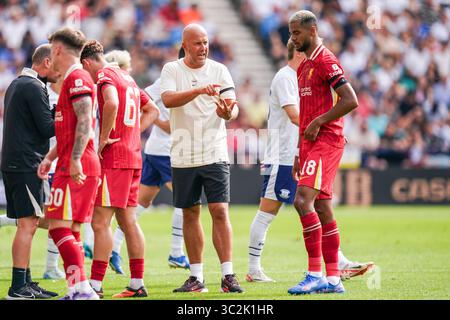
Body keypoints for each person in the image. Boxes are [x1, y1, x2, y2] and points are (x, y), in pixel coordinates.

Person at [247, 41, 373, 283]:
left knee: (314, 206)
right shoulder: (285, 77)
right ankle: (253, 268)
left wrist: (325, 129)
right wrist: (325, 127)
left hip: (301, 151)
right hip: (281, 155)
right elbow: (295, 115)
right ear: (297, 50)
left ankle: (339, 262)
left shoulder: (302, 76)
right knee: (269, 212)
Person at [161, 23, 243, 293]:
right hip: (183, 154)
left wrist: (227, 113)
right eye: (197, 43)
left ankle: (228, 276)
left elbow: (232, 106)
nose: (203, 47)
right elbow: (169, 100)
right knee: (190, 213)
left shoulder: (220, 70)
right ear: (184, 45)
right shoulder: (172, 69)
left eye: (206, 42)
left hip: (214, 151)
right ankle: (196, 277)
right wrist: (198, 90)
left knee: (219, 210)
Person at [287, 10, 360, 295]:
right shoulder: (304, 66)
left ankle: (314, 273)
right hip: (309, 144)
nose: (292, 38)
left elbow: (350, 100)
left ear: (312, 29)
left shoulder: (326, 60)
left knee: (302, 201)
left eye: (296, 33)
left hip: (326, 141)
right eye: (291, 33)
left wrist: (320, 121)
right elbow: (306, 113)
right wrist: (298, 149)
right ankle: (333, 279)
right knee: (321, 206)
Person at [80, 40, 157, 298]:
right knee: (128, 221)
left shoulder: (103, 75)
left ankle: (95, 285)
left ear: (87, 62)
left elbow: (111, 103)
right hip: (133, 156)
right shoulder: (127, 77)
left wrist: (103, 139)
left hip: (115, 159)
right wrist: (130, 134)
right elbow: (152, 110)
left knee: (100, 221)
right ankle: (136, 284)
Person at [105, 49, 190, 273]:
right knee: (186, 201)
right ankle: (176, 252)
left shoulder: (186, 80)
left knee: (139, 205)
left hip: (157, 150)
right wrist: (163, 123)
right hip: (166, 152)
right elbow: (142, 98)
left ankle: (113, 248)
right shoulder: (169, 80)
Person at [38, 27, 101, 300]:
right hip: (73, 161)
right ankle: (76, 289)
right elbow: (69, 126)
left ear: (58, 50)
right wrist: (51, 157)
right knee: (72, 229)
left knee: (58, 226)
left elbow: (85, 121)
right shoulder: (72, 78)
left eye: (52, 48)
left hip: (77, 163)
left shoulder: (76, 77)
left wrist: (74, 158)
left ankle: (83, 289)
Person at [1, 44, 60, 299]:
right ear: (46, 62)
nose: (59, 70)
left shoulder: (18, 83)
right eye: (57, 64)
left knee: (31, 222)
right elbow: (48, 128)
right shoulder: (33, 87)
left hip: (17, 162)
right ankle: (17, 287)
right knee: (27, 225)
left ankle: (25, 281)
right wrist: (66, 108)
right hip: (25, 164)